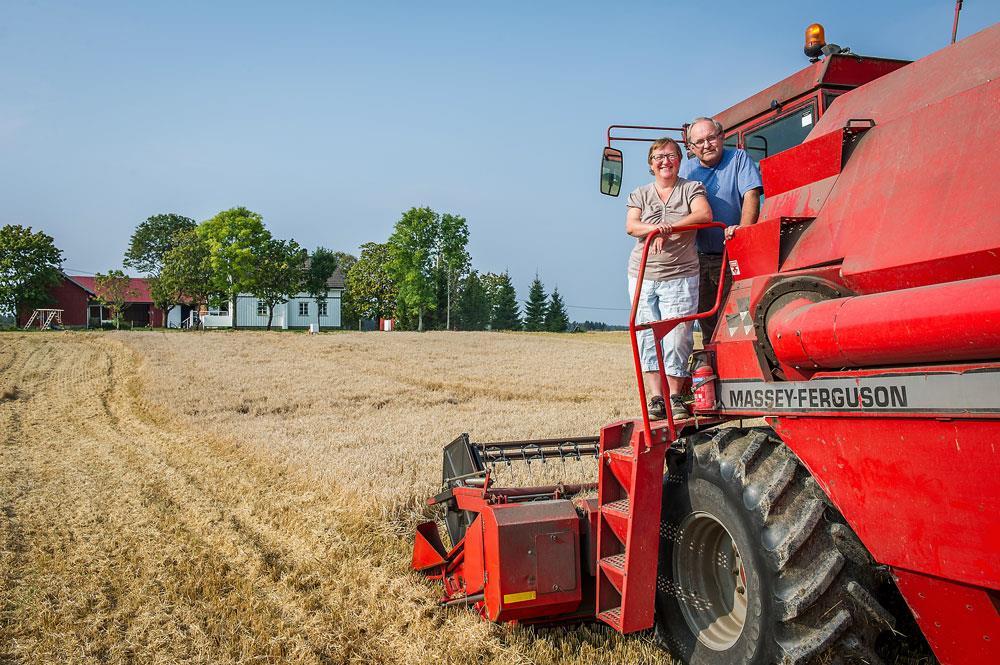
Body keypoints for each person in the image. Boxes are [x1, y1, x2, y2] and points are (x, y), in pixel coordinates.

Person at [626, 137, 712, 420]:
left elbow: (703, 213)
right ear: (651, 164)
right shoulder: (640, 194)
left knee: (678, 336)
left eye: (672, 155)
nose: (665, 161)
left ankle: (675, 397)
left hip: (681, 274)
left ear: (679, 160)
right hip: (643, 274)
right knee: (646, 335)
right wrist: (655, 229)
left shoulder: (691, 188)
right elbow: (632, 226)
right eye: (659, 157)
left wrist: (669, 228)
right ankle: (656, 399)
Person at [679, 117, 763, 343]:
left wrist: (743, 232)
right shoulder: (686, 170)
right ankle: (714, 365)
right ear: (691, 148)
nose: (706, 145)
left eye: (711, 138)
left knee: (738, 317)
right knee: (707, 319)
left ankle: (741, 362)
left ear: (722, 136)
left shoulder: (739, 159)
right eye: (699, 142)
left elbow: (751, 195)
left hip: (732, 253)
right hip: (697, 258)